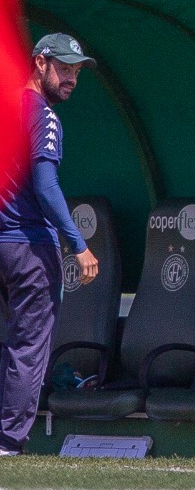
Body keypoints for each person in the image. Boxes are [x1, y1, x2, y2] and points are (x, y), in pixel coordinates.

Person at [0, 34, 99, 456]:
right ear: (39, 63)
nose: (72, 77)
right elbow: (44, 184)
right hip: (28, 245)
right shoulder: (42, 114)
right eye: (64, 67)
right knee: (28, 344)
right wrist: (79, 243)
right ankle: (7, 443)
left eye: (77, 70)